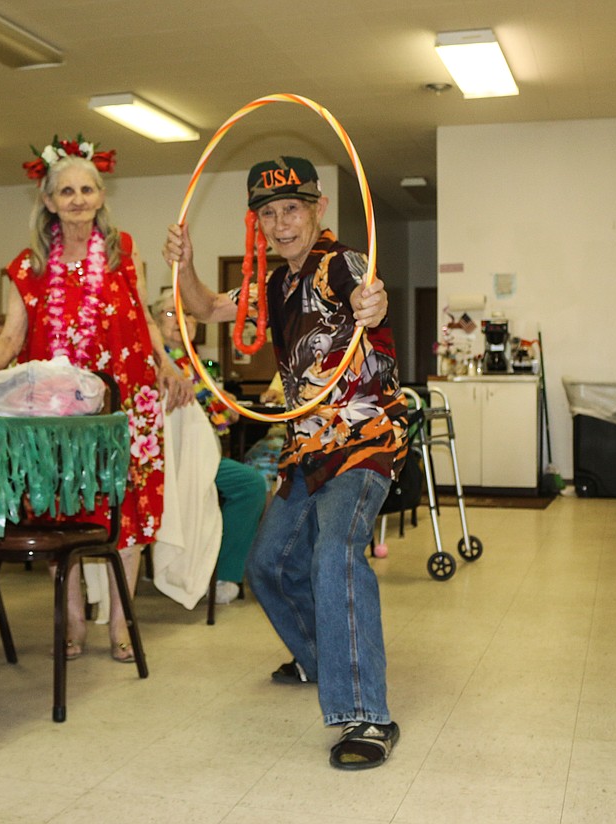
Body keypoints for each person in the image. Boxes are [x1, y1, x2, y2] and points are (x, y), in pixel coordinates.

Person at [164, 155, 406, 770]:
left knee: (335, 555)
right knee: (267, 564)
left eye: (291, 209)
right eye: (268, 213)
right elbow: (205, 308)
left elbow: (367, 295)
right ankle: (322, 659)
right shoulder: (274, 285)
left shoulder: (340, 262)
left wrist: (371, 306)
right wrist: (185, 266)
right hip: (307, 451)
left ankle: (366, 714)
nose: (281, 223)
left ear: (316, 207)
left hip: (363, 442)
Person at [0, 135, 194, 663]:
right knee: (63, 512)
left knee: (128, 517)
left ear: (101, 195)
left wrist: (167, 362)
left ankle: (121, 626)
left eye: (87, 189)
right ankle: (73, 620)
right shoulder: (28, 268)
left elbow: (145, 319)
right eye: (66, 191)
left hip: (128, 405)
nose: (77, 199)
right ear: (49, 201)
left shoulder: (124, 252)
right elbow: (10, 338)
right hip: (55, 414)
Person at [151, 291, 267, 603]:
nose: (182, 321)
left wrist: (220, 408)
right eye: (170, 313)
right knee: (250, 483)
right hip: (162, 462)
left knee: (252, 483)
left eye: (188, 314)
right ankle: (216, 573)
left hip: (198, 456)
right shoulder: (154, 360)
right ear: (154, 321)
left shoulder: (194, 362)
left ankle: (221, 572)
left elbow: (221, 417)